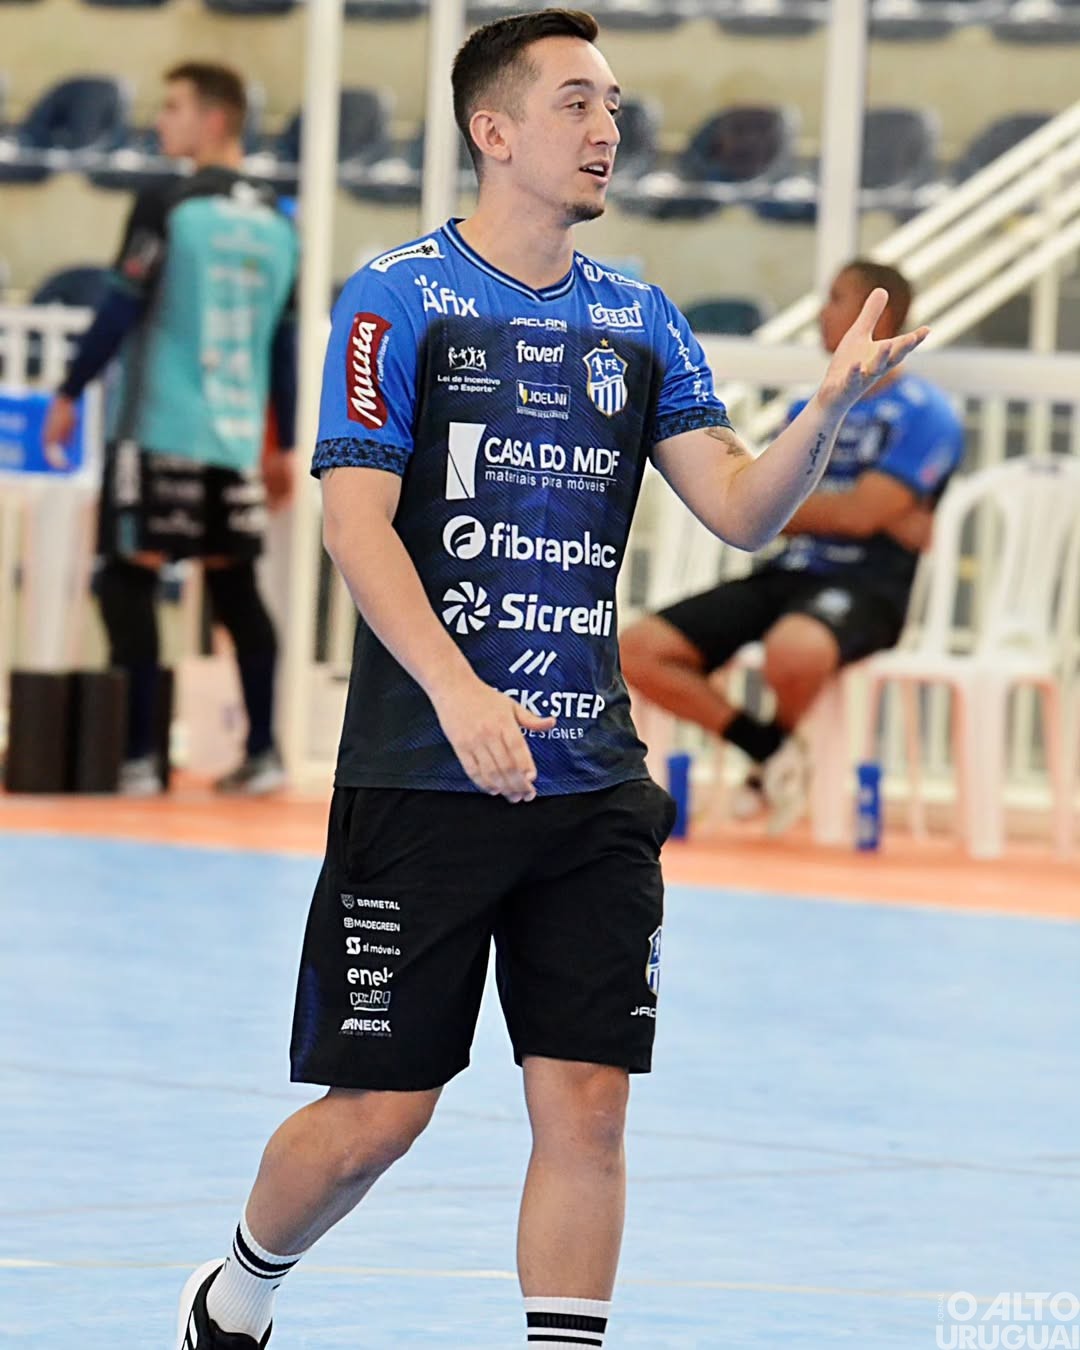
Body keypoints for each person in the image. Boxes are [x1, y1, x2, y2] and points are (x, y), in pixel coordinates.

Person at [174, 13, 929, 1349]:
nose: (607, 130)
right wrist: (463, 694)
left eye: (617, 106)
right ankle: (238, 1289)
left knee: (586, 1106)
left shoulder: (639, 318)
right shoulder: (398, 297)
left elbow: (745, 513)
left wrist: (825, 413)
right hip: (427, 770)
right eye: (578, 103)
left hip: (591, 780)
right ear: (494, 129)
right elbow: (355, 525)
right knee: (377, 1117)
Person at [621, 260, 964, 834]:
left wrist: (810, 510)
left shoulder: (928, 414)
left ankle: (769, 758)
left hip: (869, 583)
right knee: (638, 649)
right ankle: (768, 748)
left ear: (880, 315)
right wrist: (842, 511)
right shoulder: (807, 410)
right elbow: (772, 508)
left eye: (835, 299)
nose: (821, 314)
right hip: (789, 572)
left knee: (793, 650)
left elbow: (853, 516)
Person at [43, 62, 299, 797]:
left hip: (158, 425)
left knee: (125, 579)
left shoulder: (168, 202)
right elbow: (281, 344)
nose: (162, 121)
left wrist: (69, 390)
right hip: (235, 436)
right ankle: (265, 753)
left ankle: (139, 758)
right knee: (237, 587)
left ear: (216, 120)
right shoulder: (281, 221)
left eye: (175, 107)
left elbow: (122, 301)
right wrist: (279, 443)